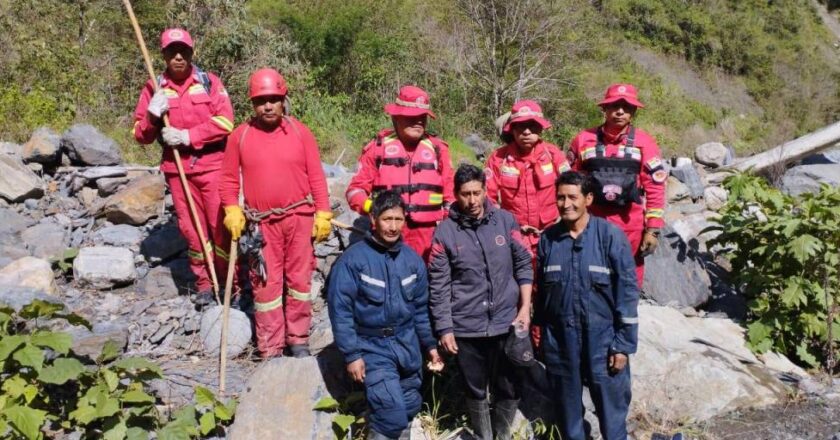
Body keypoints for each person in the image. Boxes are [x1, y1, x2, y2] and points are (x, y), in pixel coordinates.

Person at [219, 68, 331, 358]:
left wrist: (323, 213)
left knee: (299, 282)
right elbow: (229, 180)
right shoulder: (239, 137)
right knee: (265, 287)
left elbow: (316, 177)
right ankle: (271, 347)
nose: (267, 106)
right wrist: (232, 208)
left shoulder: (300, 132)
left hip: (299, 218)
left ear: (284, 100)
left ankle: (298, 339)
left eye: (273, 99)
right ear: (252, 104)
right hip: (261, 224)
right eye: (261, 100)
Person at [428, 164, 533, 440]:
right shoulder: (445, 233)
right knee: (475, 388)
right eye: (465, 194)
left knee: (508, 387)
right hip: (467, 327)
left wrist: (524, 308)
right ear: (455, 194)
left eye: (477, 193)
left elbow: (523, 263)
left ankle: (503, 435)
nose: (472, 201)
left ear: (486, 191)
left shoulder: (505, 221)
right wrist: (444, 328)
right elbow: (438, 286)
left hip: (506, 322)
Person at [132, 28, 235, 306]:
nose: (178, 57)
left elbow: (226, 122)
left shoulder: (209, 82)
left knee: (221, 227)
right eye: (172, 52)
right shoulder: (154, 87)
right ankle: (204, 283)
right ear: (163, 55)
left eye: (183, 51)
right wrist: (153, 116)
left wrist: (188, 136)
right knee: (192, 230)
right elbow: (141, 136)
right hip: (178, 171)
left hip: (213, 166)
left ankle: (229, 284)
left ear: (191, 53)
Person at [328, 190, 443, 440]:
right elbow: (341, 311)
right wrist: (352, 354)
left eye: (398, 220)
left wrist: (431, 346)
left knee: (410, 406)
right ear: (373, 219)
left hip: (407, 346)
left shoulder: (412, 261)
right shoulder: (353, 261)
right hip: (372, 348)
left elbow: (421, 311)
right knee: (389, 414)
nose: (393, 226)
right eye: (387, 219)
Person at [535, 171, 640, 440]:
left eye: (573, 197)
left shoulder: (610, 237)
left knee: (612, 417)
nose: (565, 203)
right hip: (561, 343)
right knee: (569, 420)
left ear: (589, 199)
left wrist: (623, 346)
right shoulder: (548, 240)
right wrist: (542, 340)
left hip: (602, 343)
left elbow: (627, 293)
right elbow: (542, 296)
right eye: (560, 197)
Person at [568, 83, 666, 285]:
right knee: (588, 278)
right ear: (604, 109)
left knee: (627, 281)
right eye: (614, 106)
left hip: (630, 226)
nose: (620, 111)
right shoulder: (583, 140)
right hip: (590, 224)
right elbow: (570, 185)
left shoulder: (645, 142)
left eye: (627, 108)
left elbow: (655, 188)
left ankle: (624, 317)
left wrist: (653, 230)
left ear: (633, 112)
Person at [345, 85, 455, 262]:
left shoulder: (438, 149)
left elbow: (452, 196)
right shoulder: (377, 148)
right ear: (396, 117)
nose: (419, 121)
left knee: (426, 283)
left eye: (423, 117)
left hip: (429, 236)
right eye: (413, 116)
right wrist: (373, 209)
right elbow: (354, 191)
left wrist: (449, 227)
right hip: (387, 234)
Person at [485, 100, 570, 257]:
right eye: (520, 126)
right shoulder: (498, 158)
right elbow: (487, 199)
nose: (526, 132)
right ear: (512, 129)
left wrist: (563, 223)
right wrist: (503, 227)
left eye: (532, 126)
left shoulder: (553, 155)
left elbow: (572, 190)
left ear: (541, 129)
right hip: (513, 237)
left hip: (552, 236)